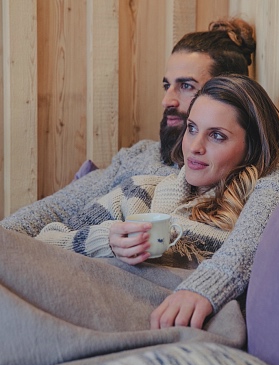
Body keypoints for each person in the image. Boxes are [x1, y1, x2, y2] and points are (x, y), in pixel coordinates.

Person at [34, 74, 279, 329]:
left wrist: (204, 290)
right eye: (192, 128)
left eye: (217, 135)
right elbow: (43, 243)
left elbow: (278, 176)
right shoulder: (140, 190)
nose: (195, 146)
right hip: (79, 293)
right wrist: (107, 241)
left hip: (137, 316)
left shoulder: (255, 209)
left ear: (251, 148)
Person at [0, 17, 256, 237]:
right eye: (167, 86)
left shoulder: (235, 179)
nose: (167, 100)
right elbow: (59, 207)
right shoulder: (141, 153)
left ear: (225, 94)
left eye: (186, 86)